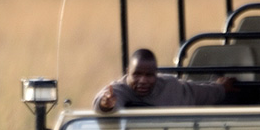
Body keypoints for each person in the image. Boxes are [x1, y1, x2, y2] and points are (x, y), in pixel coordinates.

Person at [93, 48, 234, 113]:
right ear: (127, 72)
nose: (143, 80)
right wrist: (106, 104)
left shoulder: (170, 86)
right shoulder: (119, 89)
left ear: (156, 74)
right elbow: (104, 101)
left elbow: (198, 92)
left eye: (149, 75)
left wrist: (221, 88)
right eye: (137, 74)